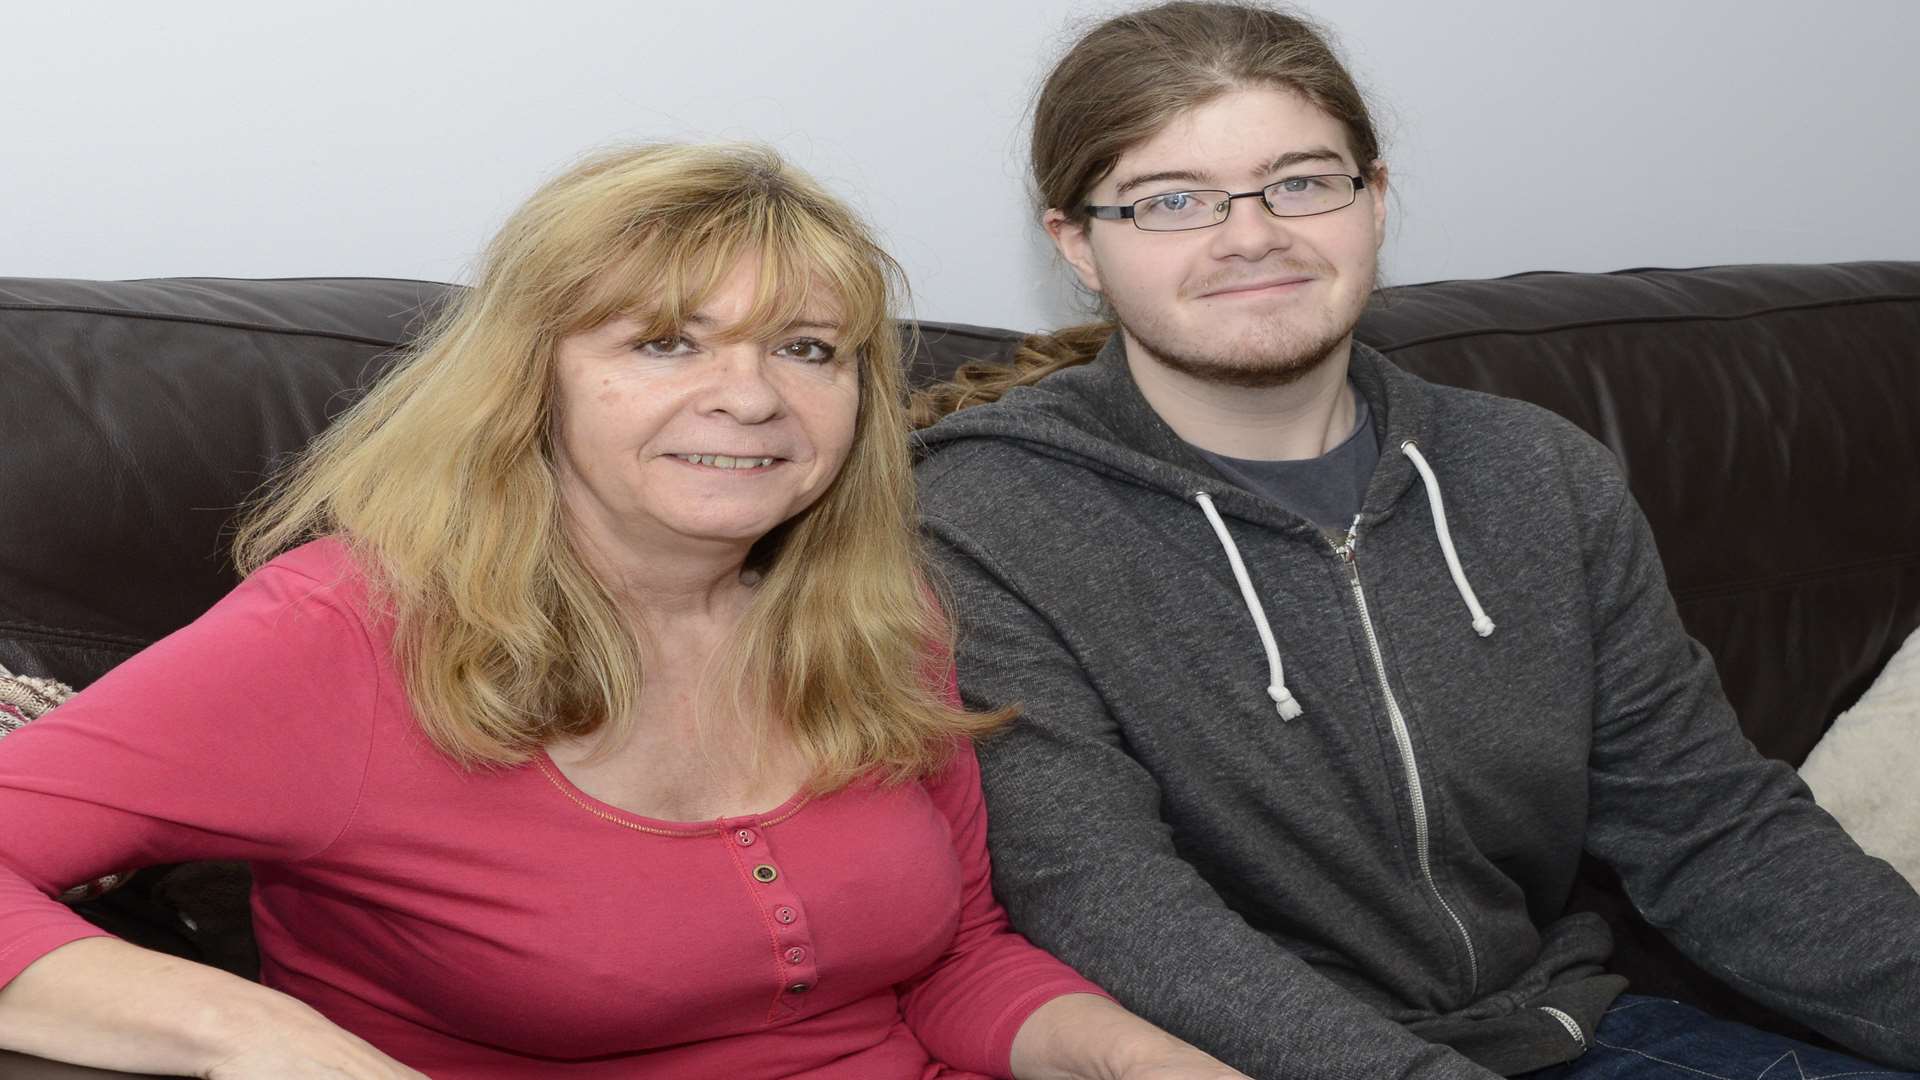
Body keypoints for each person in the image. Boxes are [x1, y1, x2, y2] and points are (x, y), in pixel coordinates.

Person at [0, 143, 1246, 1079]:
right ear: (525, 379)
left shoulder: (879, 613)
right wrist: (254, 1032)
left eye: (810, 350)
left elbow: (959, 961)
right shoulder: (344, 633)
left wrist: (1154, 1063)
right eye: (665, 343)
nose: (750, 398)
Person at [910, 4, 1920, 1078]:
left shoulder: (1536, 473)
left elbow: (1714, 830)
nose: (1251, 235)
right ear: (1078, 243)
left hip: (1578, 1029)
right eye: (1172, 202)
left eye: (1301, 182)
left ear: (1375, 200)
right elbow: (1108, 903)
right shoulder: (987, 517)